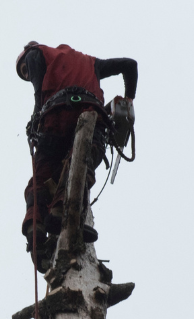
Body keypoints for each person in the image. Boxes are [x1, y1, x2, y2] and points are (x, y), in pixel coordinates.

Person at [15, 42, 138, 265]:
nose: (27, 74)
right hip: (88, 111)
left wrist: (36, 117)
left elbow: (38, 87)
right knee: (81, 161)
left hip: (54, 115)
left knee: (43, 174)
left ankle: (37, 224)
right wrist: (128, 99)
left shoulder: (35, 53)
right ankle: (60, 211)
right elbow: (130, 65)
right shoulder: (92, 63)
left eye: (25, 70)